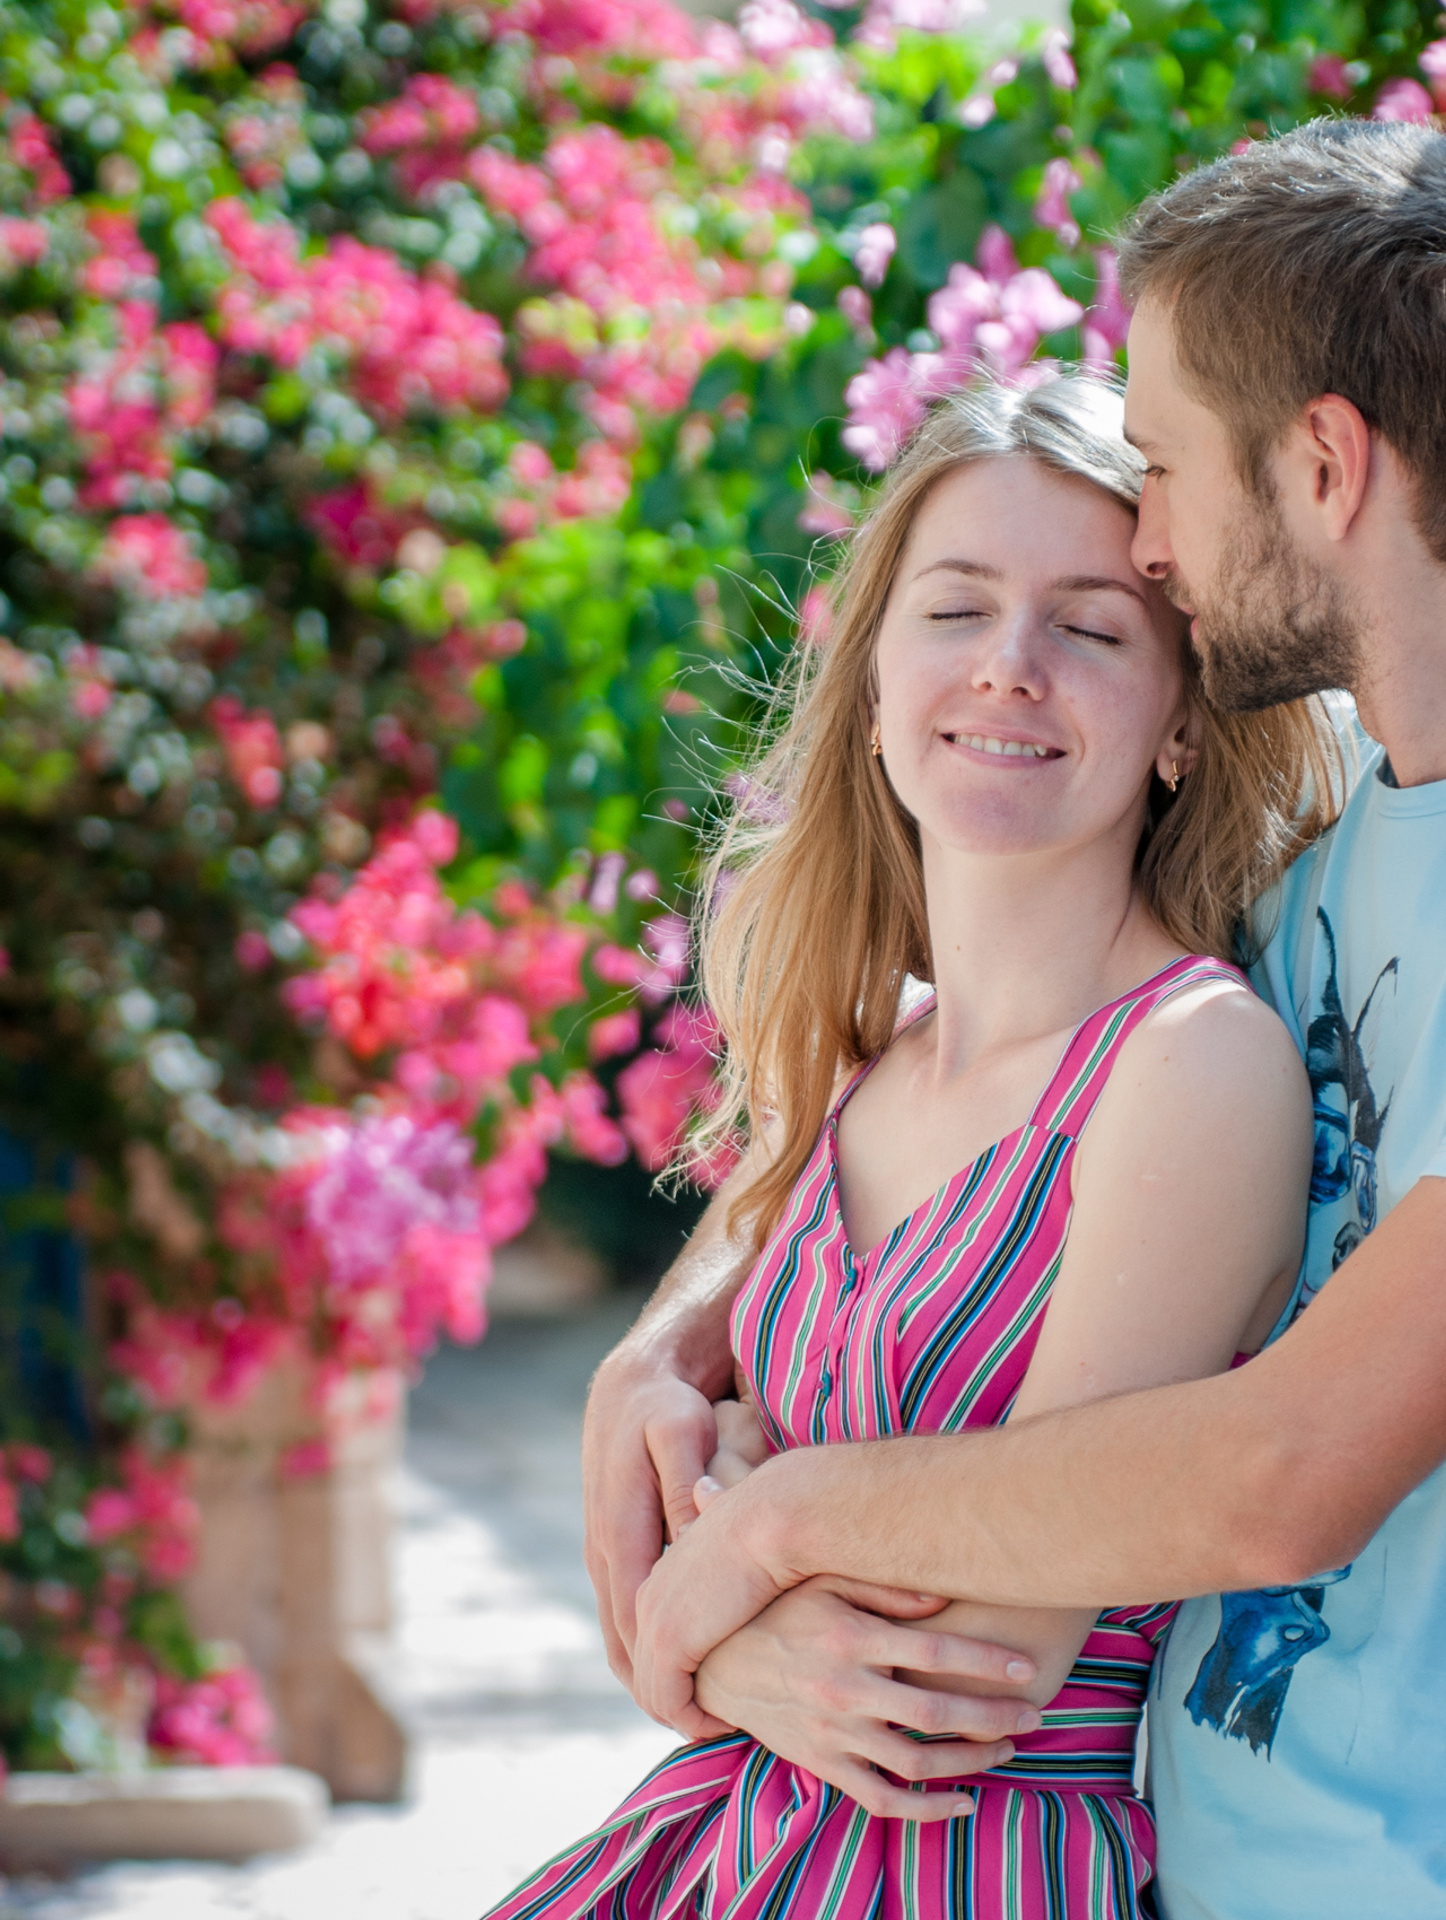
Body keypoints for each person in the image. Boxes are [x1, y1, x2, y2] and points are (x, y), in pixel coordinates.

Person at [585, 119, 1446, 1919]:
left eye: (1169, 467)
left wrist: (771, 1529)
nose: (1157, 544)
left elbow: (1284, 1473)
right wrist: (671, 1343)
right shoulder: (1327, 849)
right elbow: (982, 1096)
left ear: (1324, 466)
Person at [483, 373, 1343, 1919]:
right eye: (955, 610)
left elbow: (985, 1667)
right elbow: (647, 1563)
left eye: (1090, 628)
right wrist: (720, 1608)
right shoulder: (863, 1067)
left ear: (1179, 721)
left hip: (971, 1871)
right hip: (729, 1852)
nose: (1010, 665)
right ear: (876, 683)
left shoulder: (1191, 1064)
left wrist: (723, 1583)